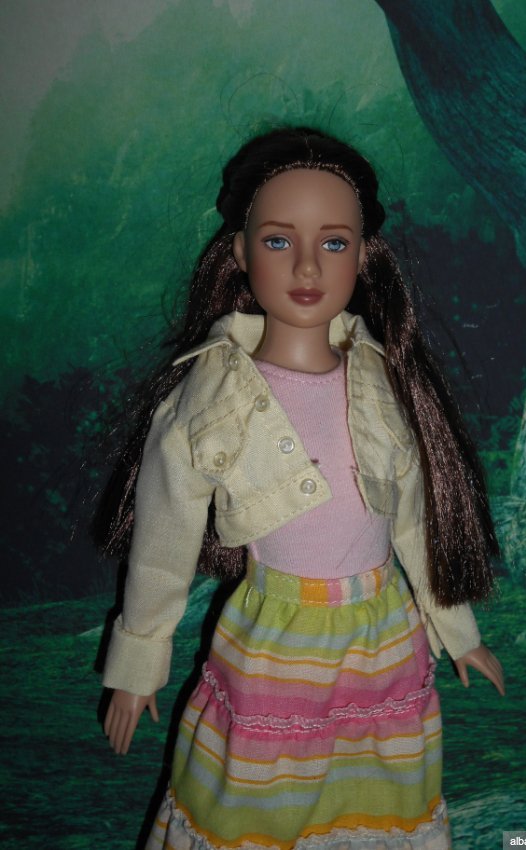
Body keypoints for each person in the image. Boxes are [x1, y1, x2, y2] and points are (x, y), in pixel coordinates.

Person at [100, 126, 505, 850]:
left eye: (335, 242)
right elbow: (163, 546)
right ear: (239, 252)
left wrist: (458, 630)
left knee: (376, 795)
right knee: (260, 801)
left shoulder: (379, 378)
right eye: (279, 240)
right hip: (274, 646)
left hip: (382, 637)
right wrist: (137, 665)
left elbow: (414, 520)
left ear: (365, 254)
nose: (309, 265)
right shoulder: (209, 397)